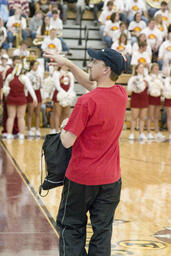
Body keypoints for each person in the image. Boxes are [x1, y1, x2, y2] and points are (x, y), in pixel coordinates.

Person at [43, 47, 127, 256]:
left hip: (81, 179)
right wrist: (69, 65)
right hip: (110, 180)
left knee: (71, 228)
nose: (90, 64)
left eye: (94, 61)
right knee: (102, 233)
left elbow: (67, 141)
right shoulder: (120, 94)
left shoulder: (86, 101)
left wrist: (66, 125)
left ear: (106, 69)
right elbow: (92, 85)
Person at [3, 63, 38, 140]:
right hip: (21, 99)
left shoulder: (9, 76)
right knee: (21, 117)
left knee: (11, 117)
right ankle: (21, 135)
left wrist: (6, 97)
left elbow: (5, 89)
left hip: (11, 98)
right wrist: (35, 99)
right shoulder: (24, 78)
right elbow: (30, 89)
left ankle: (9, 134)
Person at [50, 65, 75, 133]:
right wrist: (63, 93)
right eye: (64, 65)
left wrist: (68, 93)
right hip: (59, 94)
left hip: (68, 94)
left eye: (66, 65)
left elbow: (72, 85)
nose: (65, 66)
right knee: (57, 113)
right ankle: (56, 130)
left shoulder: (70, 74)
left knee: (66, 113)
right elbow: (57, 85)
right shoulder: (57, 73)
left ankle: (63, 129)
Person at [127, 63, 149, 140]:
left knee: (142, 118)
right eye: (140, 67)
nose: (141, 69)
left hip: (144, 99)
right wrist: (135, 86)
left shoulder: (147, 78)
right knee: (134, 117)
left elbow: (149, 90)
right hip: (135, 99)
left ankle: (141, 133)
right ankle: (132, 133)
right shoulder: (132, 78)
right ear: (136, 69)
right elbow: (129, 89)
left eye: (143, 68)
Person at [146, 63, 165, 140]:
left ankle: (157, 132)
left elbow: (163, 87)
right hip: (151, 97)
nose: (156, 70)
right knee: (150, 115)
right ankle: (148, 132)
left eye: (157, 69)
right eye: (155, 68)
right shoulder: (148, 77)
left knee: (156, 116)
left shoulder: (160, 78)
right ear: (152, 69)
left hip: (158, 97)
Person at [27, 60, 43, 137]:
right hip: (31, 94)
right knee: (30, 113)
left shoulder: (39, 74)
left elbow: (41, 85)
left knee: (37, 113)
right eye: (35, 65)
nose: (36, 66)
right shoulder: (28, 74)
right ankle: (29, 130)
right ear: (31, 66)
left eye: (37, 65)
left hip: (38, 92)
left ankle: (37, 129)